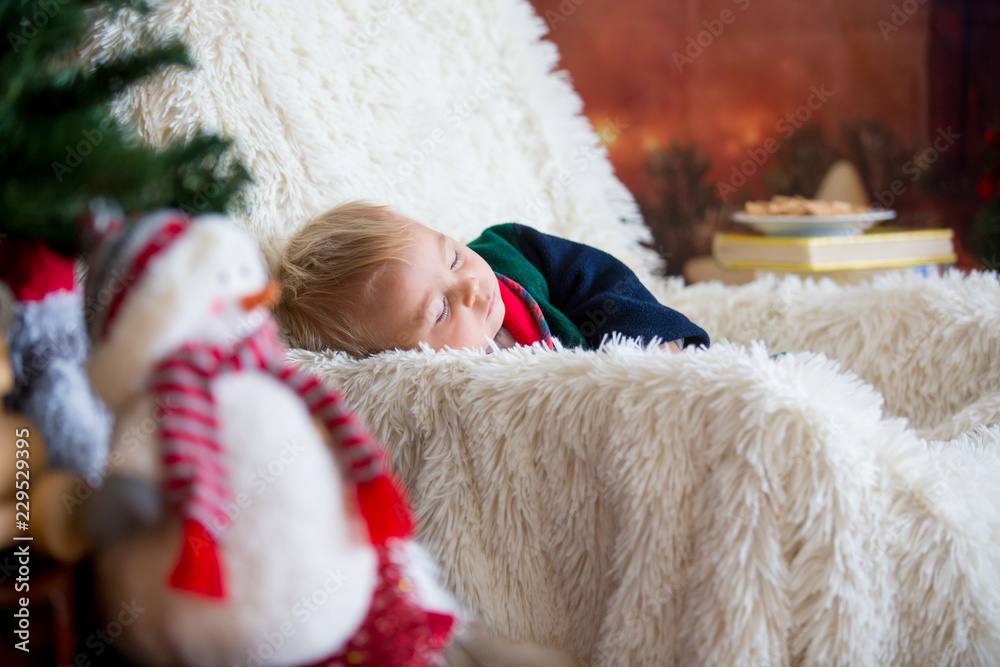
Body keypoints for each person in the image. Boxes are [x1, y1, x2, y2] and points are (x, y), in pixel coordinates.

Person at [275, 201, 709, 356]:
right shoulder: (438, 393)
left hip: (646, 371)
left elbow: (602, 280)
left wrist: (649, 343)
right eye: (440, 309)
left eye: (453, 257)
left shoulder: (509, 253)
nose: (469, 285)